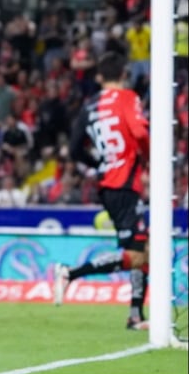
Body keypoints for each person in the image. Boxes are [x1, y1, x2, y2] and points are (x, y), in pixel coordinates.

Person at [52, 52, 150, 330]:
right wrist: (150, 159)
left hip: (108, 182)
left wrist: (98, 163)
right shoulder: (128, 98)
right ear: (124, 74)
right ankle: (70, 273)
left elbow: (73, 149)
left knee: (143, 247)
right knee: (140, 255)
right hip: (124, 184)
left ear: (100, 77)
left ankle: (135, 315)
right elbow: (141, 133)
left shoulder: (89, 106)